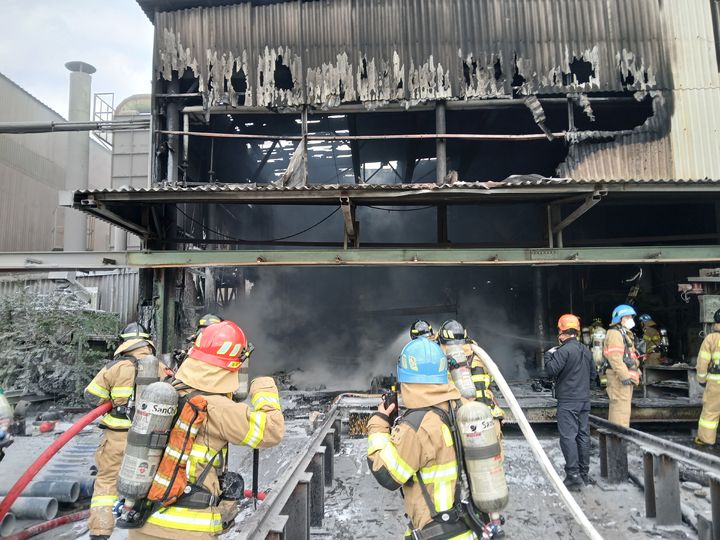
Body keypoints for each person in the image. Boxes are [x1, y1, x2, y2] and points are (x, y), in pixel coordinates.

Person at [128, 320, 284, 539]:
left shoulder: (171, 390)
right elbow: (272, 431)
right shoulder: (216, 408)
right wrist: (264, 387)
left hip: (144, 523)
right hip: (187, 529)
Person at [367, 337, 478, 539]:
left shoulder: (417, 426)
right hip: (467, 526)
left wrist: (378, 423)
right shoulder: (460, 406)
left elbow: (387, 474)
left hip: (437, 531)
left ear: (407, 380)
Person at [84, 323, 171, 540]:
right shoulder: (160, 367)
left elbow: (92, 397)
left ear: (125, 342)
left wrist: (115, 400)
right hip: (150, 440)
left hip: (117, 437)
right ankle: (143, 527)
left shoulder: (115, 367)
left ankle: (101, 531)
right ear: (147, 341)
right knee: (149, 481)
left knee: (107, 482)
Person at [544, 314, 597, 490]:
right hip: (584, 400)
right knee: (583, 436)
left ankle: (573, 476)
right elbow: (593, 376)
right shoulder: (585, 350)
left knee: (568, 437)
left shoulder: (563, 351)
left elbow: (551, 371)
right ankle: (584, 474)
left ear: (561, 331)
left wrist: (548, 356)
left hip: (568, 401)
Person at [602, 305, 641, 427]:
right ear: (619, 319)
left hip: (625, 378)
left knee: (622, 410)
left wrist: (636, 371)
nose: (631, 319)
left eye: (631, 317)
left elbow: (630, 356)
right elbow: (615, 358)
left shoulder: (624, 333)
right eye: (627, 317)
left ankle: (619, 438)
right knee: (620, 411)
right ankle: (618, 439)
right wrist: (624, 376)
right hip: (619, 379)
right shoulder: (615, 334)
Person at [695, 308, 720, 447]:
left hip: (716, 382)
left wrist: (702, 380)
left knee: (710, 412)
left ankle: (706, 440)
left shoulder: (711, 338)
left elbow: (702, 362)